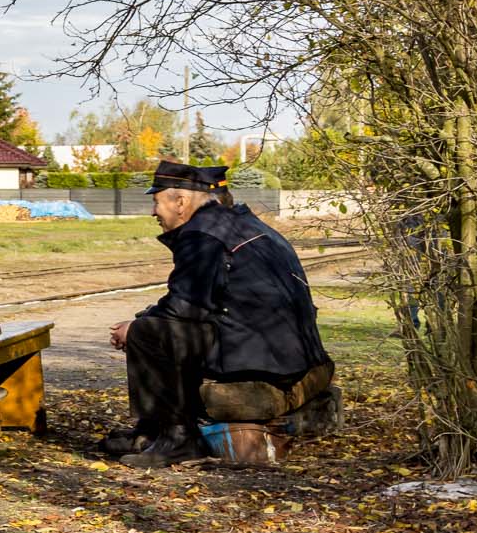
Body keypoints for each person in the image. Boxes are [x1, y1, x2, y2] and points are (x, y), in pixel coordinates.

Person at [108, 161, 331, 465]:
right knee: (151, 322)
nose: (152, 212)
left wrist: (137, 327)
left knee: (149, 332)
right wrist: (146, 316)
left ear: (181, 202)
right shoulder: (240, 225)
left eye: (156, 201)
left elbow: (186, 306)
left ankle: (177, 439)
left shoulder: (203, 234)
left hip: (260, 358)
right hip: (283, 350)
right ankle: (151, 430)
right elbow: (198, 299)